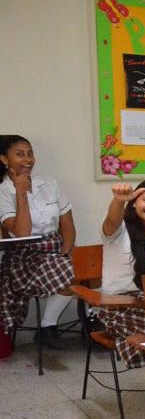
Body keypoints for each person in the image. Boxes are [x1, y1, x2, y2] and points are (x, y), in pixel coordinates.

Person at [0, 135, 76, 349]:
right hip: (23, 257)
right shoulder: (2, 192)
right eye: (20, 154)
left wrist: (65, 252)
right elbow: (22, 232)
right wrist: (21, 192)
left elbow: (68, 226)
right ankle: (48, 327)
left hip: (55, 251)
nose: (28, 159)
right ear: (5, 160)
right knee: (74, 274)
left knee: (89, 266)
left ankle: (88, 320)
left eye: (30, 153)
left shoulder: (49, 183)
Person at [95, 180, 145, 368]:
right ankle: (138, 340)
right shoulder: (119, 231)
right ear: (135, 201)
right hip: (117, 305)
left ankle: (134, 338)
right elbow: (112, 219)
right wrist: (119, 200)